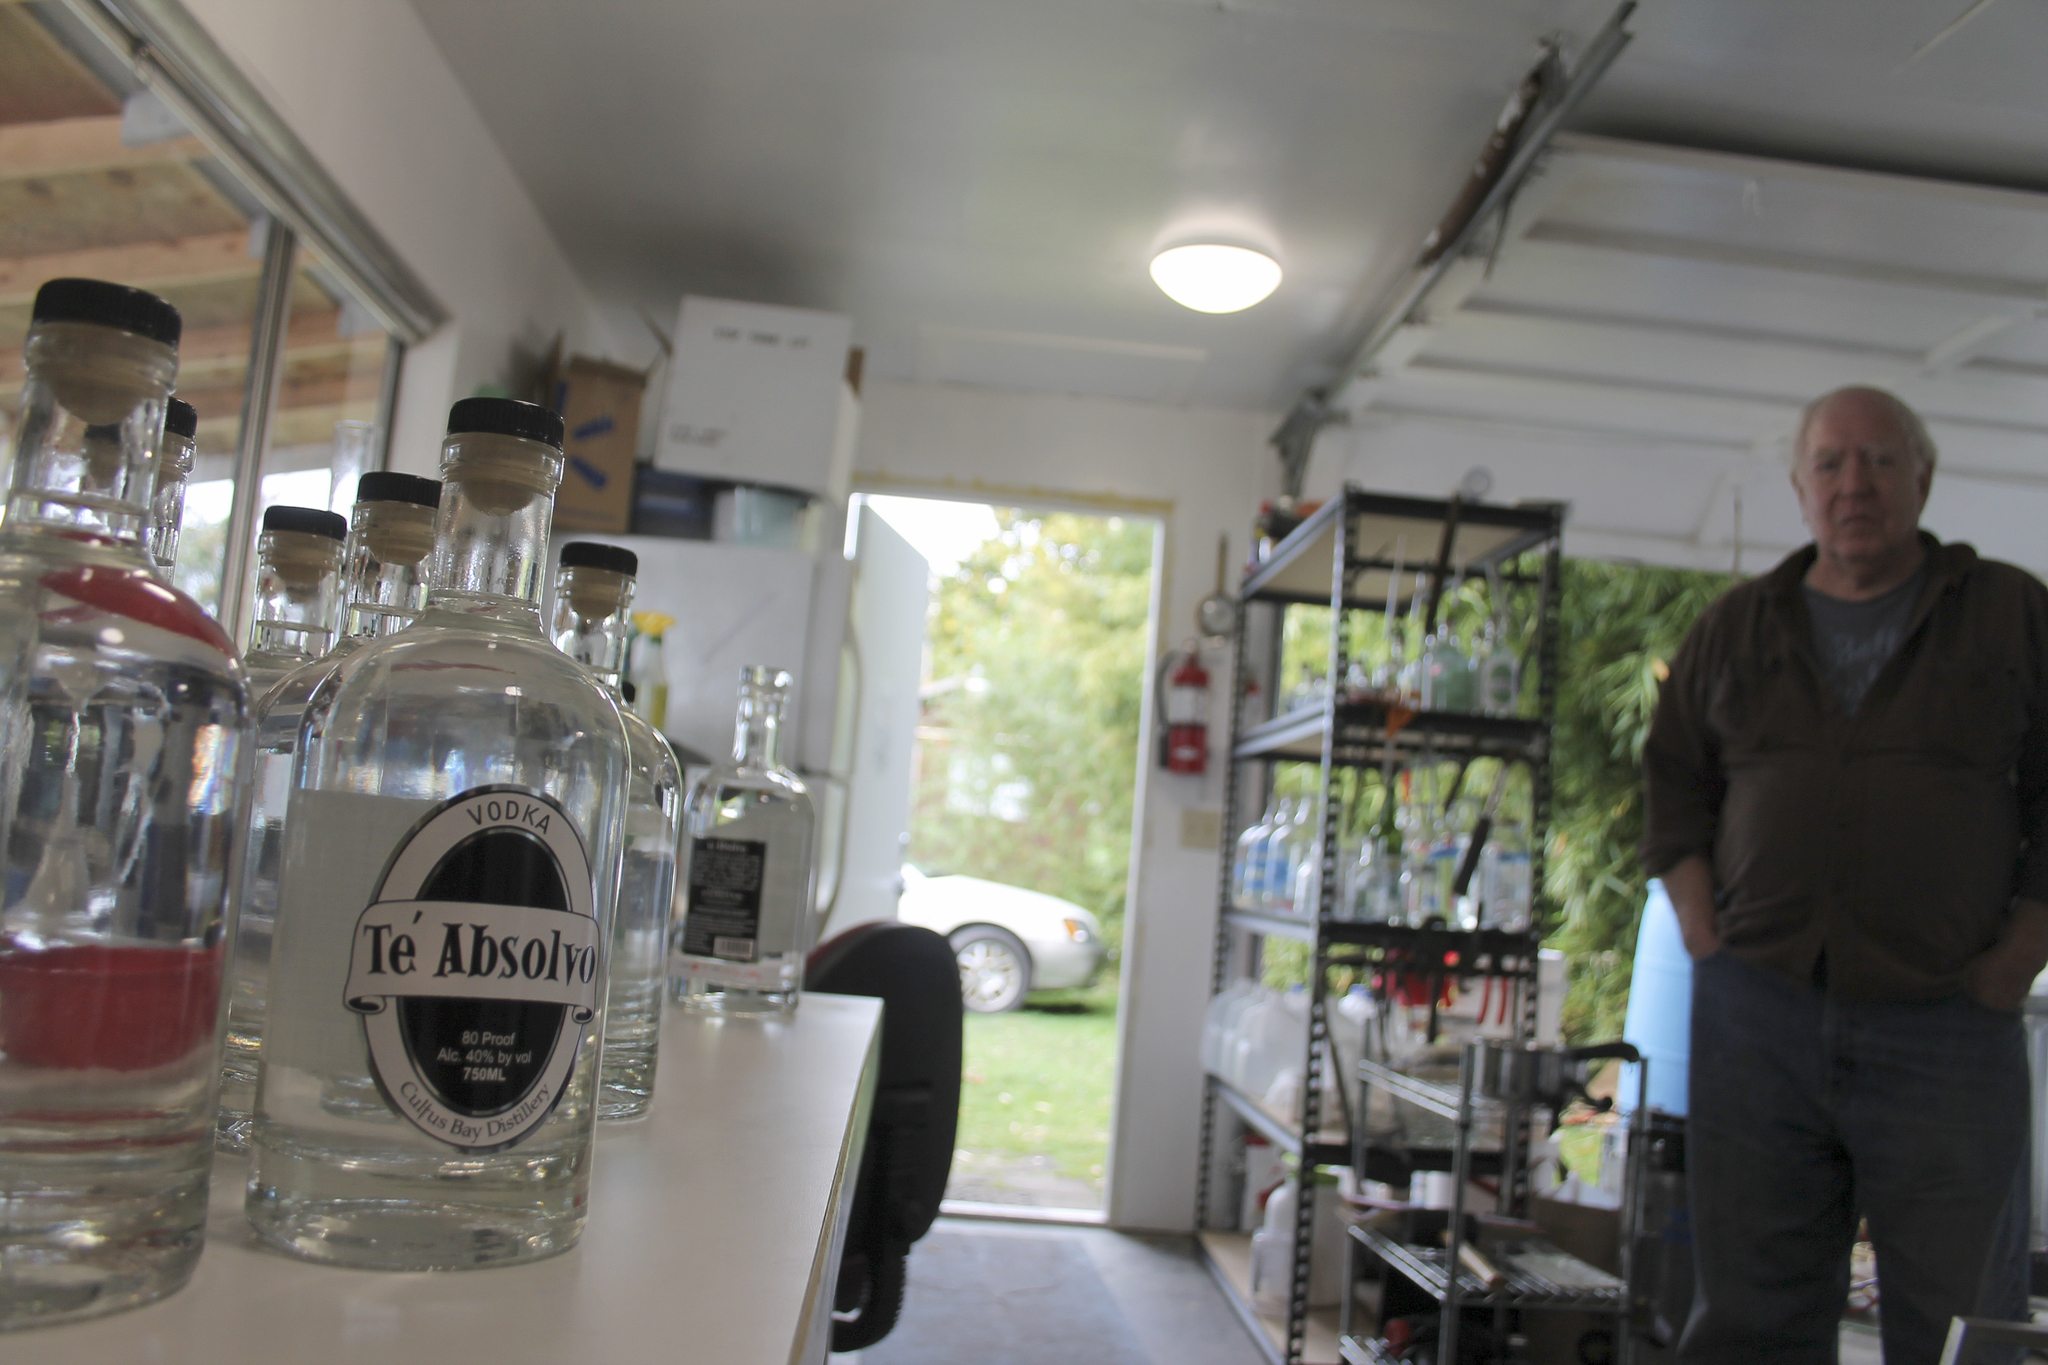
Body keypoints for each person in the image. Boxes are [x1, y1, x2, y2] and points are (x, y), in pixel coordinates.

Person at [1641, 385, 2047, 1364]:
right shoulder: (1736, 626)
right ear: (1797, 486)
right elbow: (1671, 782)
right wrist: (1701, 932)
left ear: (1922, 477)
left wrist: (2016, 957)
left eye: (1876, 460)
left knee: (1957, 1316)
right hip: (1759, 1016)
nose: (1852, 483)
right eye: (1829, 463)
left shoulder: (2004, 613)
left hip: (1945, 1016)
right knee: (1747, 1313)